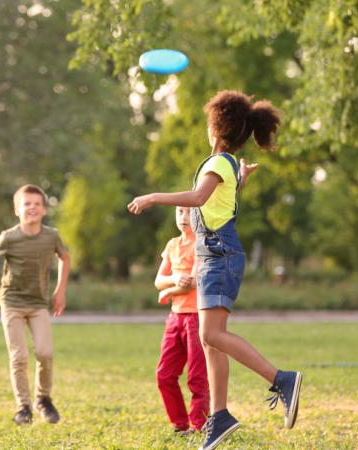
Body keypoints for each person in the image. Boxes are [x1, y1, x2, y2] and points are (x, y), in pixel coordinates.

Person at [128, 90, 302, 450]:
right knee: (211, 339)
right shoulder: (226, 165)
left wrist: (152, 197)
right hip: (216, 253)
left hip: (218, 254)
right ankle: (219, 416)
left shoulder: (218, 162)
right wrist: (243, 180)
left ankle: (281, 379)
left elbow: (198, 199)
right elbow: (221, 200)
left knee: (212, 335)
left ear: (217, 130)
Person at [0, 184, 71, 426]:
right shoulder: (9, 237)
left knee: (45, 352)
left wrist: (60, 290)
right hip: (12, 302)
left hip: (38, 303)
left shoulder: (51, 236)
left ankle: (43, 399)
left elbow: (65, 258)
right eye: (27, 203)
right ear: (17, 210)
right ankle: (23, 407)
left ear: (44, 210)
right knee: (19, 356)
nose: (32, 208)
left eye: (37, 204)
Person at [155, 206, 209, 434]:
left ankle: (201, 425)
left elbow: (194, 282)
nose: (184, 217)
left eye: (189, 212)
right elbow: (158, 280)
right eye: (179, 212)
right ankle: (180, 424)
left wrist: (168, 292)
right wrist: (174, 278)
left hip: (197, 317)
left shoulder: (202, 243)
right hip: (175, 318)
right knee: (164, 374)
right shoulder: (172, 245)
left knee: (197, 377)